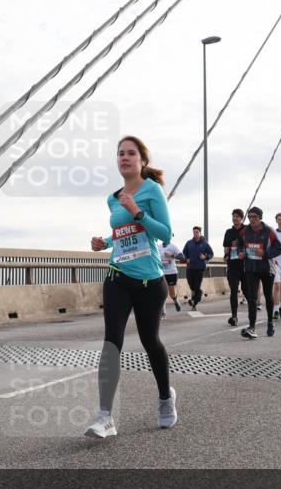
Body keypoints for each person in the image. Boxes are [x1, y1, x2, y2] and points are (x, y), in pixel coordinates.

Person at [86, 136, 176, 439]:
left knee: (151, 341)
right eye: (120, 153)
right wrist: (105, 242)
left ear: (142, 161)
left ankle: (166, 397)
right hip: (118, 276)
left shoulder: (152, 191)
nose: (124, 158)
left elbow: (164, 233)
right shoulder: (113, 197)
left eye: (131, 153)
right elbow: (123, 234)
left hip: (150, 280)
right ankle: (105, 417)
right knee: (112, 342)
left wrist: (137, 210)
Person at [239, 207, 281, 339]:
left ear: (260, 218)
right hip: (251, 268)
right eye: (250, 217)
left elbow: (279, 249)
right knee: (252, 298)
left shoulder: (269, 231)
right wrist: (241, 253)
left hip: (266, 268)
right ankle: (252, 327)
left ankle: (270, 322)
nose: (252, 219)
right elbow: (241, 245)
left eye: (254, 217)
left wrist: (265, 253)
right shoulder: (245, 231)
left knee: (268, 296)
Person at [223, 209, 248, 326]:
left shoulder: (247, 230)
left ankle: (252, 314)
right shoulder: (228, 232)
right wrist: (226, 255)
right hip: (232, 265)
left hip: (245, 265)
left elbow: (252, 245)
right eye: (233, 216)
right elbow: (226, 248)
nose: (235, 218)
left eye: (237, 216)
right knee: (233, 290)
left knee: (247, 291)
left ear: (242, 218)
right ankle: (234, 316)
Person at [180, 226, 213, 309]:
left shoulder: (204, 243)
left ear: (200, 233)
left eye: (197, 232)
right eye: (194, 232)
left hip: (199, 268)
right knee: (191, 285)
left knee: (197, 286)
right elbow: (184, 253)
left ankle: (194, 301)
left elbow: (211, 254)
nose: (195, 234)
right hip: (190, 267)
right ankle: (199, 294)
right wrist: (186, 258)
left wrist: (205, 257)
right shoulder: (189, 243)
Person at [158, 241, 184, 315]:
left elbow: (182, 257)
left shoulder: (173, 246)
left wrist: (172, 255)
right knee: (161, 293)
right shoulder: (158, 247)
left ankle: (175, 300)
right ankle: (163, 312)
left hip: (171, 273)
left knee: (171, 293)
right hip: (161, 273)